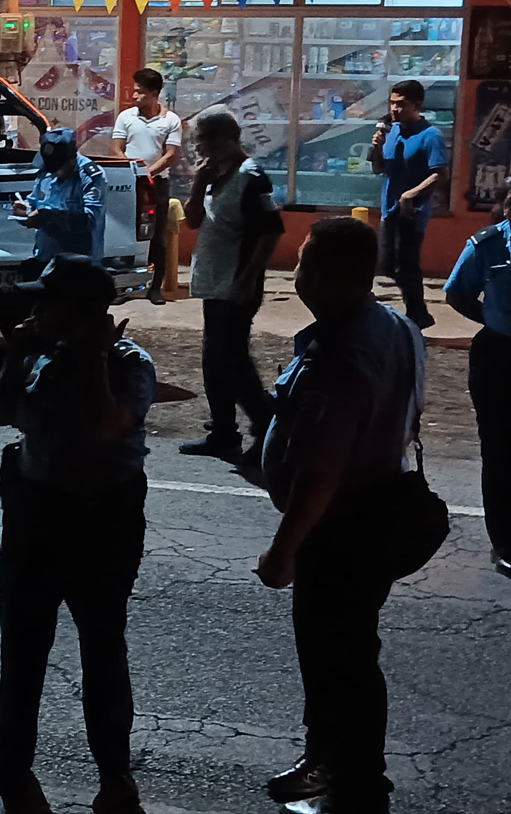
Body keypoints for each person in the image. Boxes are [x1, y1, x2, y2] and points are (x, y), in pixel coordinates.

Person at [257, 217, 436, 814]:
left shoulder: (340, 352)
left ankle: (348, 776)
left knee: (336, 655)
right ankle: (338, 765)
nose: (296, 272)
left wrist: (285, 550)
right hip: (379, 506)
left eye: (304, 262)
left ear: (331, 274)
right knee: (351, 650)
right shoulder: (399, 326)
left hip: (340, 528)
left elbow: (321, 471)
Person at [0, 253, 156, 814]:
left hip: (101, 520)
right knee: (23, 647)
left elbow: (107, 428)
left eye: (46, 301)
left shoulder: (128, 363)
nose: (33, 310)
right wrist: (17, 350)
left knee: (102, 647)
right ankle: (12, 764)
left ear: (79, 312)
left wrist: (95, 355)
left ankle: (115, 776)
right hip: (36, 513)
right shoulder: (39, 355)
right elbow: (3, 411)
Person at [179, 108, 283, 462]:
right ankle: (223, 431)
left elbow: (271, 232)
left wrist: (249, 277)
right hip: (213, 281)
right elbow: (192, 221)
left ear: (225, 139)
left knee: (234, 361)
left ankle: (267, 427)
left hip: (237, 282)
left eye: (204, 140)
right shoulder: (213, 174)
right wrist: (197, 184)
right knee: (214, 359)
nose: (200, 147)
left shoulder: (251, 176)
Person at [444, 211, 511, 579]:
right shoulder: (490, 244)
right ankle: (504, 543)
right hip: (499, 354)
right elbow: (457, 291)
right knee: (499, 450)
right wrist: (493, 317)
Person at [368, 80, 448, 329]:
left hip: (412, 212)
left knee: (407, 263)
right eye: (392, 103)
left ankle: (418, 313)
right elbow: (378, 168)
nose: (394, 109)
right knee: (389, 264)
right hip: (389, 209)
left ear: (417, 105)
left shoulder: (431, 135)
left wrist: (411, 194)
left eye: (400, 104)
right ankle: (417, 311)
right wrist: (378, 148)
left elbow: (440, 174)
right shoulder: (391, 132)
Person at [111, 68, 182, 304]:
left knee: (157, 236)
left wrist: (148, 174)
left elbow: (170, 154)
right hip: (129, 184)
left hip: (157, 185)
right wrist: (135, 173)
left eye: (140, 92)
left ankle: (155, 288)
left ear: (154, 94)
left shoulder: (170, 120)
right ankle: (125, 287)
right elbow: (116, 149)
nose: (134, 96)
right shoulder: (126, 117)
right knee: (127, 234)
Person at [12, 127, 107, 262]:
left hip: (78, 263)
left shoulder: (90, 176)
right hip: (45, 256)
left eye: (57, 168)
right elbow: (35, 203)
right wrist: (25, 210)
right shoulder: (46, 173)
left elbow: (91, 220)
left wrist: (50, 216)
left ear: (72, 159)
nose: (53, 173)